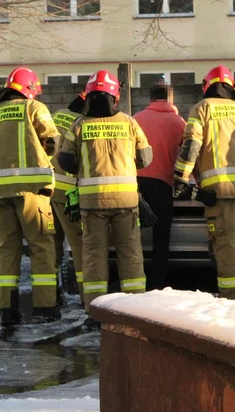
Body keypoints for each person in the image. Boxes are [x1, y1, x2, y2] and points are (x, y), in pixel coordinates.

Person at [57, 70, 155, 316]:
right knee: (130, 253)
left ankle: (95, 312)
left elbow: (66, 162)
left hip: (92, 204)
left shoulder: (79, 125)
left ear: (88, 97)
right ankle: (137, 312)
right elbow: (145, 158)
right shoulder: (129, 122)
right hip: (126, 202)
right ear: (116, 97)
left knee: (93, 256)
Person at [0, 68, 60, 326]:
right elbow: (52, 141)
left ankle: (7, 309)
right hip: (32, 191)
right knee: (41, 246)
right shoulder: (34, 108)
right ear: (30, 88)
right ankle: (45, 306)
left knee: (6, 249)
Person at [173, 65, 235, 301]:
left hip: (217, 190)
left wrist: (181, 178)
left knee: (225, 243)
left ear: (208, 86)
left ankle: (232, 298)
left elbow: (191, 146)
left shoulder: (202, 108)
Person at [133, 80, 186, 289]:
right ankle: (156, 284)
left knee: (132, 237)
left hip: (135, 185)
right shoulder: (179, 122)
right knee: (161, 239)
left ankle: (134, 278)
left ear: (150, 98)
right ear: (170, 98)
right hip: (163, 185)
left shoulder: (135, 120)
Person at [49, 93, 87, 304]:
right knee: (79, 245)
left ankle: (50, 295)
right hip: (69, 193)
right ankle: (85, 296)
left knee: (51, 246)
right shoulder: (82, 124)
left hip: (47, 190)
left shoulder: (56, 116)